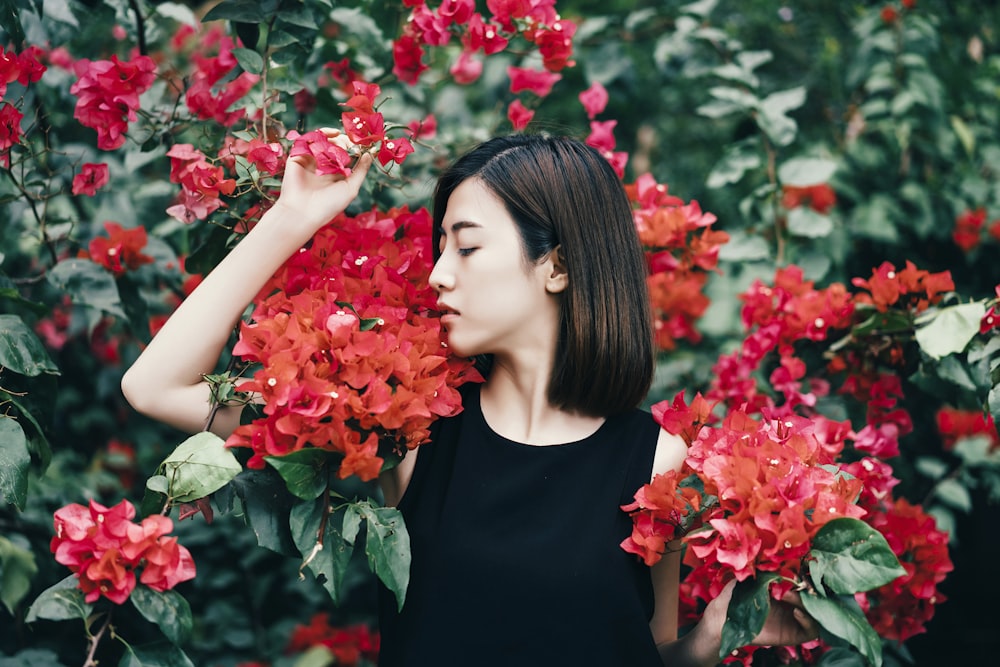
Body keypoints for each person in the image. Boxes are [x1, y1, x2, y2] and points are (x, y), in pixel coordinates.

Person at [122, 131, 818, 666]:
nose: (436, 273)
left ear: (559, 264)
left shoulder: (661, 461)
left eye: (466, 246)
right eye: (439, 246)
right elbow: (156, 386)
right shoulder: (407, 437)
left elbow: (637, 650)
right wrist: (291, 215)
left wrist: (707, 642)